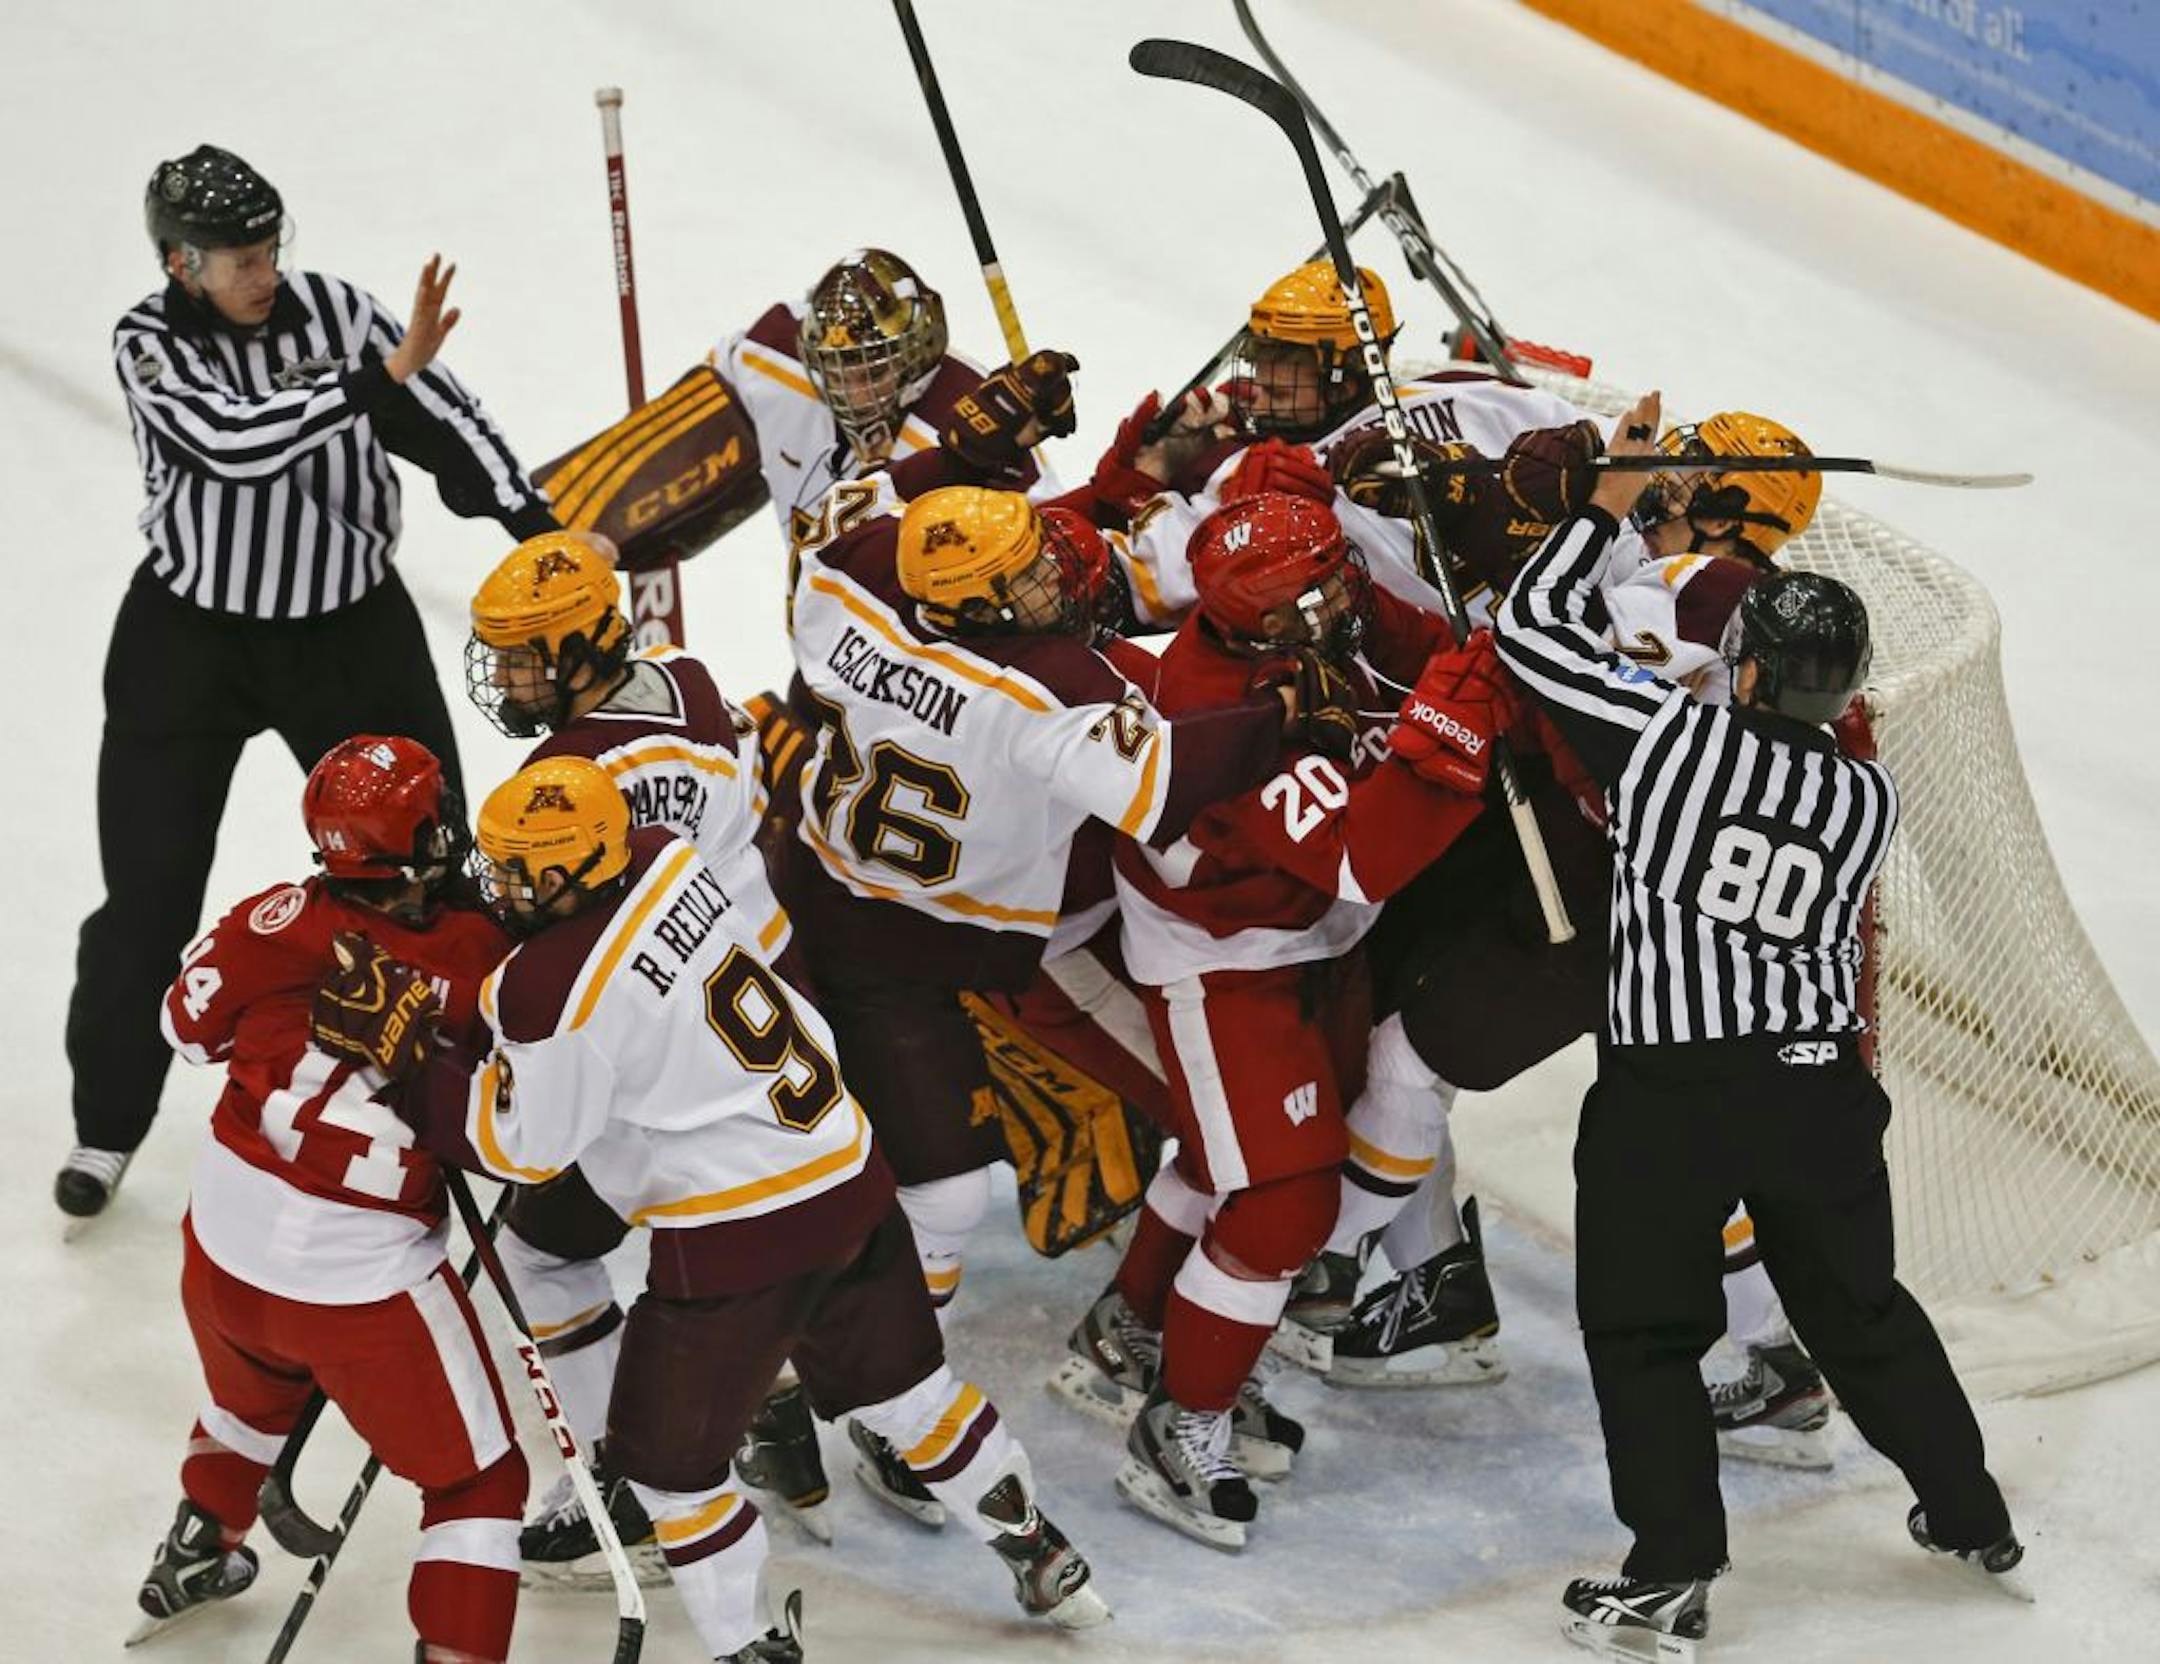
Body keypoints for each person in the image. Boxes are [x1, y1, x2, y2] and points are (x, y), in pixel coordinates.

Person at [364, 756, 1110, 1660]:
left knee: (672, 1478)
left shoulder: (546, 985)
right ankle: (1041, 1551)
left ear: (574, 868)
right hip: (842, 1166)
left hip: (737, 1237)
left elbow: (519, 1146)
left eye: (523, 868)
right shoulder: (662, 856)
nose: (504, 883)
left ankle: (750, 1649)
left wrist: (413, 1070)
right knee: (912, 1395)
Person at [1491, 392, 2023, 1658]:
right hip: (1818, 1085)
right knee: (1862, 1309)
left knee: (1643, 1329)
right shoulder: (1865, 795)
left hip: (1673, 1090)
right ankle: (1971, 1508)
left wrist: (1617, 500)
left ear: (1749, 665)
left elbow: (1529, 626)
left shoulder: (1665, 741)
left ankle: (1672, 1573)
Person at [784, 473, 1328, 1511]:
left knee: (875, 1169)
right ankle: (894, 1400)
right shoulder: (1043, 688)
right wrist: (1284, 714)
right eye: (1023, 572)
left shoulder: (851, 581)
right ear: (979, 602)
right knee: (944, 1185)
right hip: (927, 952)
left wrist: (970, 467)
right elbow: (1162, 781)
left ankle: (866, 1365)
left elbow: (864, 541)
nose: (1046, 580)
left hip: (812, 886)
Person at [58, 143, 558, 1222]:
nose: (264, 270)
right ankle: (107, 1124)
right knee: (146, 897)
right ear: (180, 263)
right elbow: (231, 444)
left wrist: (542, 529)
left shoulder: (337, 311)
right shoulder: (147, 344)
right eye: (239, 256)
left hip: (348, 633)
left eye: (271, 247)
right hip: (188, 643)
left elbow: (445, 416)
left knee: (439, 862)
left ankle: (487, 1095)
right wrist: (371, 385)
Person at [1056, 491, 1513, 1549]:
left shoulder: (1250, 646)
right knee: (1279, 1209)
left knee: (1234, 1173)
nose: (1342, 594)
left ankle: (1135, 1331)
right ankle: (1182, 1420)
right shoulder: (1230, 718)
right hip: (1228, 972)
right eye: (1322, 588)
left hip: (1304, 943)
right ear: (1266, 615)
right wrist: (1451, 727)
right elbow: (1367, 851)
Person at [462, 530, 829, 1577]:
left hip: (668, 1037)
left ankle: (624, 1473)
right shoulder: (692, 685)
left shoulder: (563, 775)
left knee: (546, 1248)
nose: (509, 676)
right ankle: (791, 1408)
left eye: (527, 655)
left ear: (580, 647)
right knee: (767, 1231)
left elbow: (561, 932)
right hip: (770, 994)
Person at [135, 736, 527, 1662]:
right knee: (478, 1487)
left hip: (224, 1246)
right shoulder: (490, 955)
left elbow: (183, 1030)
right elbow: (528, 1119)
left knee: (254, 1392)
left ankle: (198, 1544)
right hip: (361, 1282)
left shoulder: (278, 918)